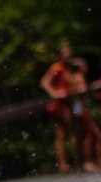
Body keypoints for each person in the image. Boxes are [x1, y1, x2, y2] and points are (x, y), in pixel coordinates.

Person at [41, 44, 78, 172]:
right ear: (60, 56)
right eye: (65, 54)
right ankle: (68, 163)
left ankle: (69, 163)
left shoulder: (68, 68)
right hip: (60, 103)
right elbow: (45, 82)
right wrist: (55, 93)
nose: (68, 56)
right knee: (67, 132)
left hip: (67, 101)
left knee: (63, 132)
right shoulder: (57, 67)